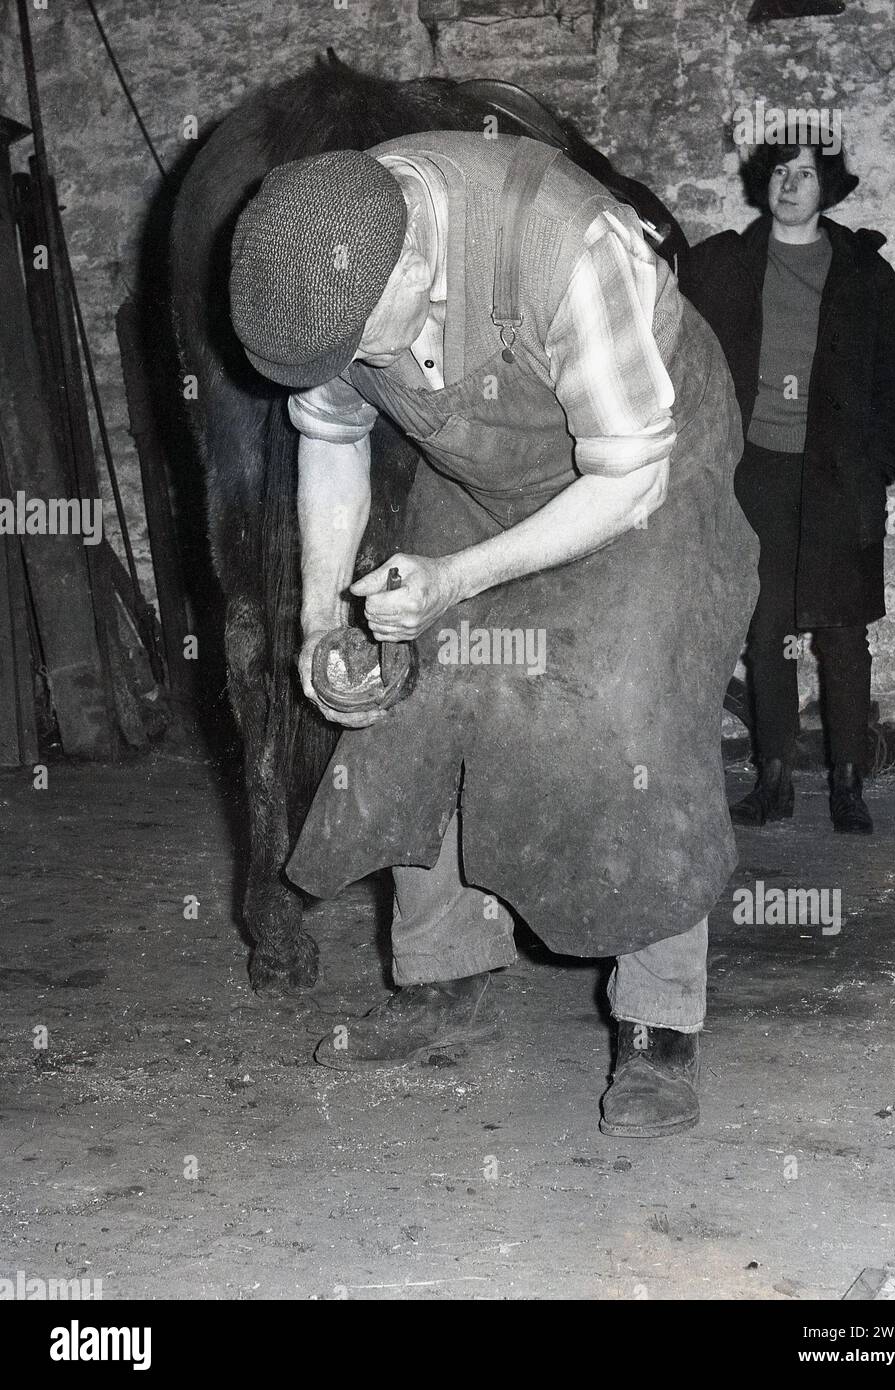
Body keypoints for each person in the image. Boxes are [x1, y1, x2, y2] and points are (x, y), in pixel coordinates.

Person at [228, 134, 758, 1137]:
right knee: (415, 689)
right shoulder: (329, 258)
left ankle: (655, 1027)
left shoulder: (570, 244)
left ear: (421, 264)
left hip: (644, 469)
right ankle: (441, 984)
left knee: (628, 709)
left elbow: (624, 477)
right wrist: (318, 620)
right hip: (481, 475)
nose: (360, 374)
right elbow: (332, 440)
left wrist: (457, 578)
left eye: (366, 349)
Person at [681, 129, 895, 834]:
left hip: (837, 475)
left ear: (828, 190)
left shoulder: (863, 272)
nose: (790, 184)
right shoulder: (723, 264)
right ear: (764, 183)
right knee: (767, 630)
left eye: (806, 175)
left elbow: (892, 375)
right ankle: (774, 778)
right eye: (781, 172)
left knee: (842, 631)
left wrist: (882, 459)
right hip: (755, 471)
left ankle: (848, 783)